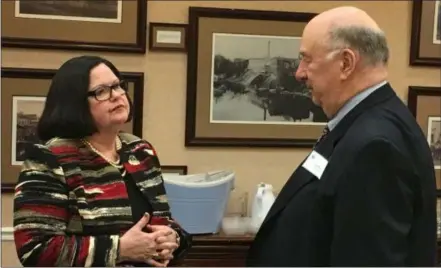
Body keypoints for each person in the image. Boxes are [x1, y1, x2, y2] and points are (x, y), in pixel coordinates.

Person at [246, 6, 437, 267]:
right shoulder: (363, 123)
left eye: (307, 59)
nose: (299, 72)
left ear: (346, 63)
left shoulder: (375, 145)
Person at [13, 55, 192, 267]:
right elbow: (35, 250)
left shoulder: (141, 151)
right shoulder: (50, 158)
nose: (116, 95)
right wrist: (119, 249)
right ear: (74, 103)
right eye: (101, 91)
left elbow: (162, 221)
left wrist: (174, 238)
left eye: (117, 86)